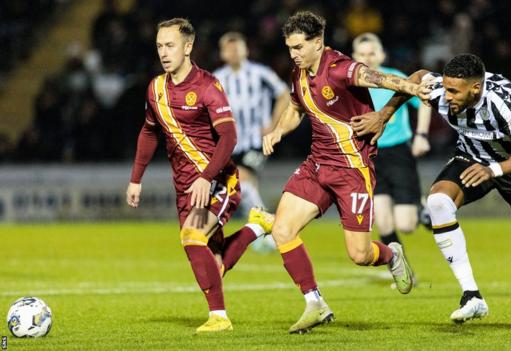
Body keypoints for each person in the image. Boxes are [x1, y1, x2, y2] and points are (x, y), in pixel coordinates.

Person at [351, 53, 511, 333]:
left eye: (455, 91)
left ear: (475, 88)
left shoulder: (501, 101)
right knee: (439, 202)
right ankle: (472, 295)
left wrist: (495, 170)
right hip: (471, 159)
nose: (448, 96)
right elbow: (418, 78)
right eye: (447, 88)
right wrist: (383, 115)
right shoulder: (443, 90)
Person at [262, 11, 431, 334]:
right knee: (282, 230)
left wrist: (408, 92)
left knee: (360, 254)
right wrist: (277, 132)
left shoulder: (340, 68)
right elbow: (296, 108)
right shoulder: (298, 74)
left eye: (298, 47)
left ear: (318, 42)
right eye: (289, 48)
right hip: (317, 165)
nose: (293, 54)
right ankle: (315, 303)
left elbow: (382, 80)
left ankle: (391, 255)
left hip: (352, 170)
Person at [126, 18, 274, 333]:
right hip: (185, 189)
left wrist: (207, 177)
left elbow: (229, 138)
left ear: (188, 47)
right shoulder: (156, 89)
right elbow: (149, 132)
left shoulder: (208, 86)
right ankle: (255, 226)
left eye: (170, 45)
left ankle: (219, 317)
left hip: (219, 182)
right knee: (214, 266)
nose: (164, 53)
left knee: (192, 238)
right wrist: (136, 178)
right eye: (160, 46)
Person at [352, 33, 432, 253]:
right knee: (383, 222)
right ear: (354, 56)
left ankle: (423, 208)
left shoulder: (395, 78)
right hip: (368, 157)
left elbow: (425, 101)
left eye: (372, 53)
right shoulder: (350, 83)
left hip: (397, 153)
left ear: (381, 54)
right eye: (362, 54)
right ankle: (401, 270)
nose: (367, 58)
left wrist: (422, 135)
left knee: (405, 225)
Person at [214, 32, 290, 252]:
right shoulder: (218, 78)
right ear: (222, 53)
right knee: (246, 187)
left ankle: (269, 230)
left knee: (243, 181)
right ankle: (259, 233)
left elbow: (285, 94)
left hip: (257, 141)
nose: (233, 52)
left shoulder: (260, 73)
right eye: (229, 48)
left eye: (237, 47)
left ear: (246, 50)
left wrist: (275, 126)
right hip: (231, 143)